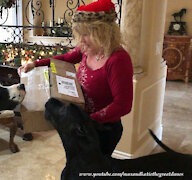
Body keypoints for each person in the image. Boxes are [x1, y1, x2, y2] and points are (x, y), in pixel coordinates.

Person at [18, 0, 133, 156]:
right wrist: (35, 64)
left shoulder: (118, 59)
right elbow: (65, 58)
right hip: (81, 124)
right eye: (80, 34)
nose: (81, 40)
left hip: (103, 130)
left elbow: (123, 105)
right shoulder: (87, 49)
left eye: (87, 34)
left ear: (105, 31)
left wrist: (87, 121)